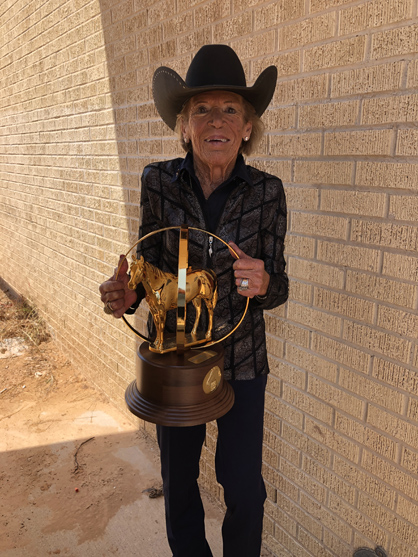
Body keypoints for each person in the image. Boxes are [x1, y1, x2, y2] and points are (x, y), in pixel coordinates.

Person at [99, 44, 288, 557]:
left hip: (244, 361)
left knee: (243, 487)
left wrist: (265, 283)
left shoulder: (268, 193)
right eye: (201, 109)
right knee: (179, 482)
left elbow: (281, 288)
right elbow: (146, 265)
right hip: (175, 359)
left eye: (230, 109)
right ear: (184, 126)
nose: (216, 120)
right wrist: (127, 292)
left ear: (247, 127)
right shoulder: (158, 182)